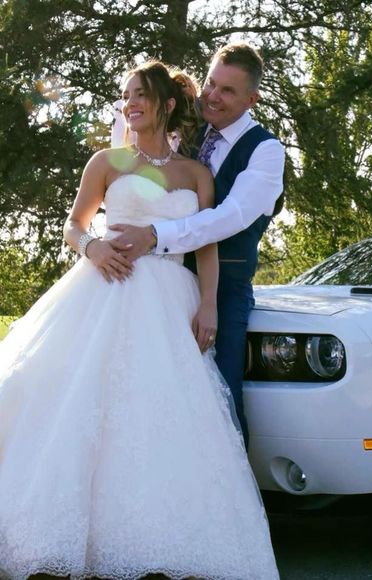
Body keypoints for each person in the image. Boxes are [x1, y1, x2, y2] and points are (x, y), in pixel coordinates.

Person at [0, 60, 279, 580]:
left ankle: (162, 537)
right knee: (84, 400)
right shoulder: (107, 161)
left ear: (166, 104)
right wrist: (93, 248)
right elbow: (75, 224)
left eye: (141, 95)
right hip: (107, 288)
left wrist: (209, 303)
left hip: (171, 299)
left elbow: (209, 238)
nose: (130, 104)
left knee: (163, 411)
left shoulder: (196, 173)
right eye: (126, 95)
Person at [109, 43, 285, 447]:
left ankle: (233, 484)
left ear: (252, 99)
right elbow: (134, 160)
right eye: (210, 83)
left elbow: (228, 218)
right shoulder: (184, 130)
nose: (212, 96)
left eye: (228, 91)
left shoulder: (265, 151)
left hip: (221, 293)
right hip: (157, 286)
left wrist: (155, 235)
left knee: (220, 397)